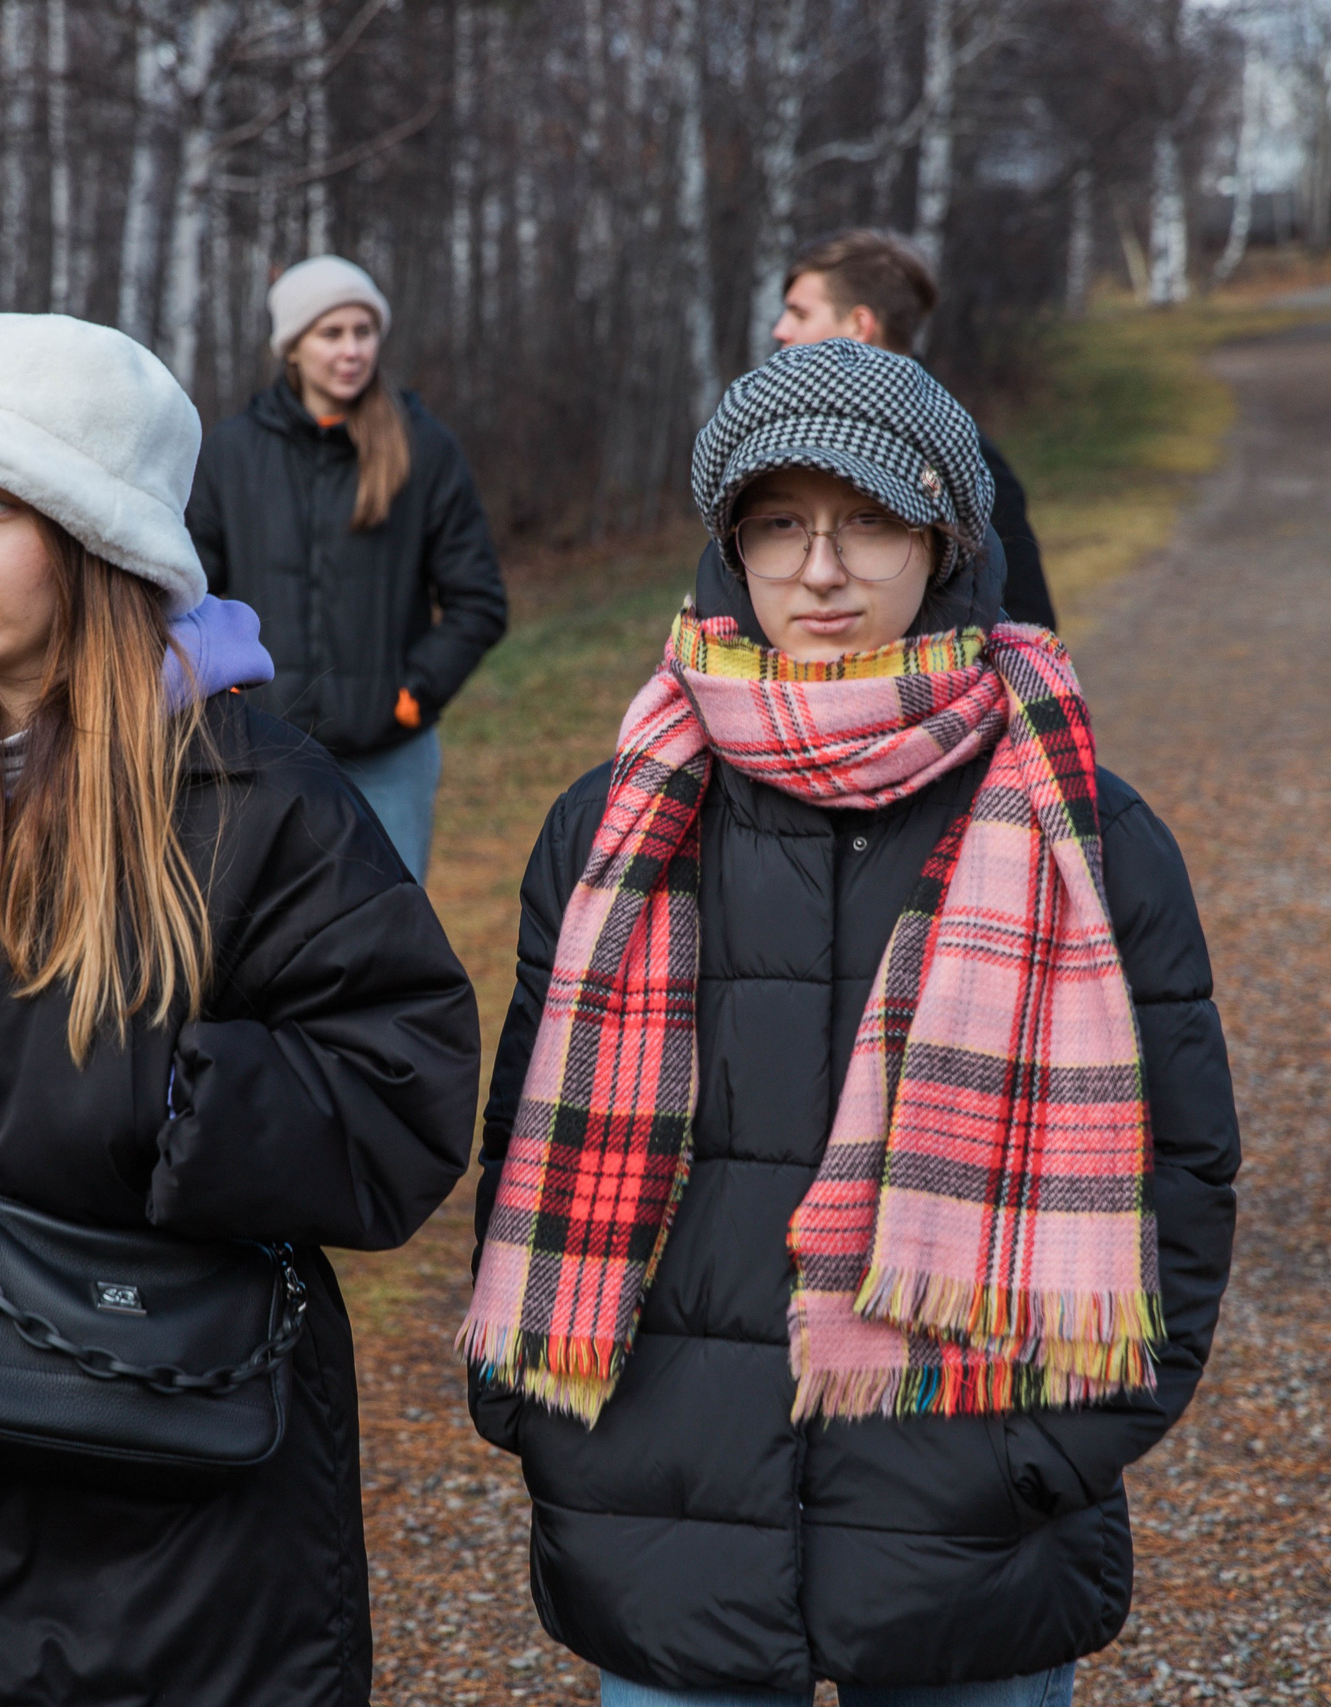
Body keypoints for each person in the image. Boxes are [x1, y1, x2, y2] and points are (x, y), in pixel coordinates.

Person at [462, 339, 1240, 1706]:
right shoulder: (613, 823)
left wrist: (1047, 1457)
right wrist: (550, 1432)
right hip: (671, 1522)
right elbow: (522, 1137)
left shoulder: (1090, 833)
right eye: (779, 523)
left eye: (868, 519)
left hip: (974, 1528)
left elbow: (1183, 1176)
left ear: (944, 541)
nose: (820, 568)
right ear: (733, 546)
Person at [0, 313, 481, 1707]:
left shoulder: (255, 798)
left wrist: (167, 1106)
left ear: (101, 536)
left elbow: (402, 1083)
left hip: (162, 1508)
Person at [187, 254, 509, 882]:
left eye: (364, 332)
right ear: (292, 348)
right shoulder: (231, 452)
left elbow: (479, 600)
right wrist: (225, 697)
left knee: (390, 942)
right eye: (331, 334)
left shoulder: (424, 447)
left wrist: (412, 699)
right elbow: (193, 595)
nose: (351, 350)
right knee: (265, 946)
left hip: (390, 758)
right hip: (260, 752)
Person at [770, 228, 1056, 628]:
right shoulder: (784, 445)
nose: (780, 330)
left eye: (800, 313)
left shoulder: (963, 461)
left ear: (859, 325)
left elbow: (1026, 630)